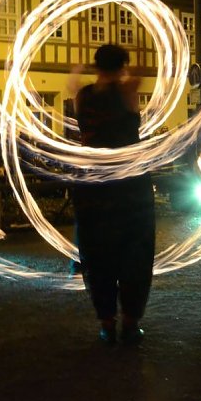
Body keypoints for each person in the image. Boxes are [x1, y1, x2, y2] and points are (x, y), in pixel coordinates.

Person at [72, 44, 155, 345]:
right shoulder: (127, 92)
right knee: (135, 252)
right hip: (129, 186)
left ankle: (107, 322)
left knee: (98, 254)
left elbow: (73, 86)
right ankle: (131, 323)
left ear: (97, 67)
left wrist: (80, 70)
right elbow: (144, 70)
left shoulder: (82, 95)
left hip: (93, 184)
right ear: (122, 68)